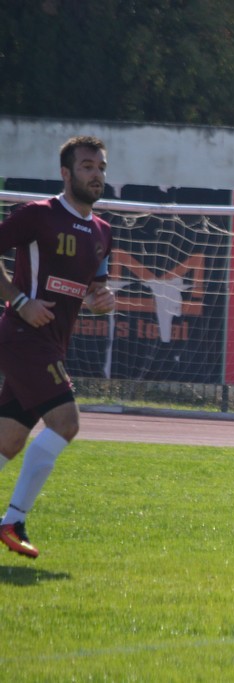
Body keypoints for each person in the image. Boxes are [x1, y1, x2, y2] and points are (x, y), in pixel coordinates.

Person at [0, 135, 116, 559]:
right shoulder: (38, 215)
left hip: (52, 343)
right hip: (23, 337)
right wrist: (20, 302)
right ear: (66, 173)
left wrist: (102, 299)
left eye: (101, 167)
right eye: (87, 166)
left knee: (8, 440)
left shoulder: (103, 231)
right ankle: (12, 521)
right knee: (66, 422)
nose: (96, 174)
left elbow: (97, 288)